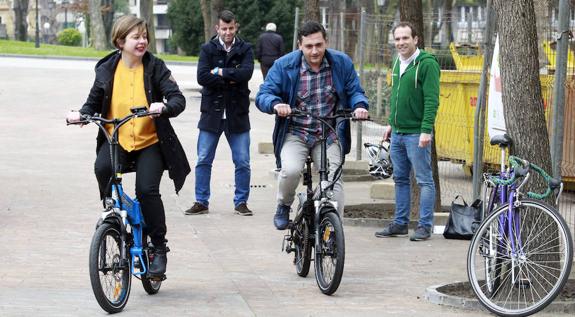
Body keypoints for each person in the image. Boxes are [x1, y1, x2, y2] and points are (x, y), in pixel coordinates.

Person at [66, 15, 190, 276]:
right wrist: (82, 114)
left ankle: (158, 247)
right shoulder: (107, 69)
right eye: (136, 37)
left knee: (146, 190)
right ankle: (115, 211)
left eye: (144, 36)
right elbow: (93, 101)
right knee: (102, 169)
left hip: (150, 142)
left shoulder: (155, 67)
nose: (142, 41)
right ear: (120, 41)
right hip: (117, 139)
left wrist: (164, 106)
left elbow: (177, 98)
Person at [256, 21, 369, 230]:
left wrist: (360, 106)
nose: (314, 51)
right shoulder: (284, 65)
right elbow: (263, 94)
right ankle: (284, 204)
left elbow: (355, 90)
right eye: (309, 46)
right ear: (300, 45)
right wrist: (276, 104)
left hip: (328, 133)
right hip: (295, 132)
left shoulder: (341, 63)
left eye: (319, 45)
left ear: (326, 42)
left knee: (334, 179)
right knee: (290, 171)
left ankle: (333, 232)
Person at [374, 21, 440, 241]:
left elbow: (431, 100)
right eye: (397, 39)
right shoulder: (397, 62)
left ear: (415, 40)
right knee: (400, 179)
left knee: (424, 180)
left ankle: (424, 226)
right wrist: (391, 124)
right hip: (398, 133)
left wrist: (426, 130)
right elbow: (396, 97)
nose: (401, 43)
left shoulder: (427, 64)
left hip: (416, 134)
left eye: (405, 38)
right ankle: (400, 223)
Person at [185, 10, 255, 216]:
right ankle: (201, 201)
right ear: (217, 28)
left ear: (236, 26)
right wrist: (232, 78)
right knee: (203, 159)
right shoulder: (207, 49)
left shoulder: (246, 48)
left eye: (231, 28)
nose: (227, 32)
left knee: (242, 161)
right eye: (224, 29)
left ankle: (241, 202)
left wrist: (220, 72)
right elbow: (202, 77)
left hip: (237, 113)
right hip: (211, 113)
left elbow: (246, 73)